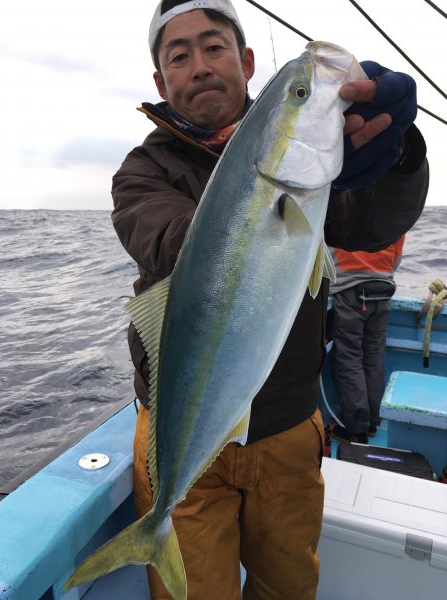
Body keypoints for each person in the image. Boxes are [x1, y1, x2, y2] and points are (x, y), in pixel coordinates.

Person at [111, 1, 429, 598]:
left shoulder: (310, 169)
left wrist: (397, 155)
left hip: (286, 427)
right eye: (179, 56)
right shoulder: (142, 171)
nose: (200, 65)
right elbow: (170, 241)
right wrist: (268, 194)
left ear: (247, 60)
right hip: (180, 434)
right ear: (161, 81)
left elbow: (374, 225)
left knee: (287, 589)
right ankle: (154, 530)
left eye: (215, 47)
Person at [329, 236, 405, 444]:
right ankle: (372, 422)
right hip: (383, 290)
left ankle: (356, 429)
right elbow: (396, 260)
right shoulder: (395, 212)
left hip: (349, 291)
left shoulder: (341, 209)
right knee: (374, 358)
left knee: (349, 358)